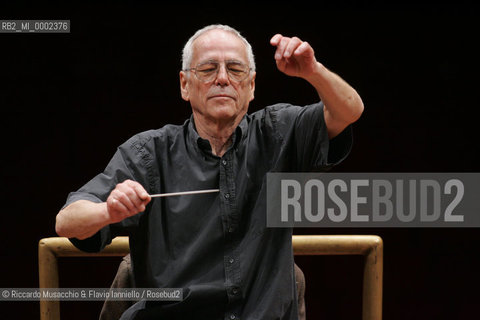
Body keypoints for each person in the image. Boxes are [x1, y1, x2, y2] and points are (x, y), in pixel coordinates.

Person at [56, 24, 363, 320]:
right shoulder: (148, 153)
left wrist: (313, 72)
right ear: (184, 85)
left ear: (252, 85)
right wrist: (107, 211)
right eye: (207, 69)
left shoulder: (280, 132)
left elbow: (350, 111)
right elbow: (67, 222)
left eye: (235, 69)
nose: (222, 79)